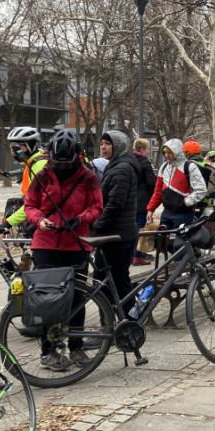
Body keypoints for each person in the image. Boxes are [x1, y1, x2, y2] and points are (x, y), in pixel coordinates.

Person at [24, 129, 103, 371]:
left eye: (65, 163)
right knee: (48, 299)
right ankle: (48, 351)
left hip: (77, 243)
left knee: (76, 298)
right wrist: (39, 220)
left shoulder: (89, 177)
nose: (60, 167)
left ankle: (76, 347)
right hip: (45, 244)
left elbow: (97, 206)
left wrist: (81, 220)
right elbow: (30, 205)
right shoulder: (43, 176)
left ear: (77, 157)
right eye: (56, 163)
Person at [92, 131, 139, 316]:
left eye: (107, 144)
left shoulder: (122, 168)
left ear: (117, 146)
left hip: (116, 236)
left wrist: (97, 225)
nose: (103, 147)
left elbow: (115, 204)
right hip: (118, 234)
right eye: (102, 143)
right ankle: (130, 321)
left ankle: (111, 324)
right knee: (118, 280)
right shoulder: (117, 165)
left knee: (105, 281)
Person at [145, 139, 208, 230]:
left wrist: (185, 202)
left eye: (170, 152)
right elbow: (158, 192)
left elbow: (201, 190)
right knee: (163, 242)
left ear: (177, 152)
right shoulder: (164, 167)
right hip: (166, 213)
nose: (166, 155)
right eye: (164, 153)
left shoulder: (189, 167)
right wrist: (151, 209)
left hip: (184, 214)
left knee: (180, 243)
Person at [3, 126, 49, 231]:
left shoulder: (39, 165)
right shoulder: (31, 164)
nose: (13, 151)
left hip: (43, 219)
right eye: (12, 146)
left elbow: (36, 202)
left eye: (17, 147)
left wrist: (8, 223)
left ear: (30, 146)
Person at [131, 138, 157, 265]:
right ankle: (137, 255)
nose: (148, 151)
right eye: (147, 149)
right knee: (140, 227)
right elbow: (151, 182)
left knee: (132, 226)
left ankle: (134, 253)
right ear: (141, 149)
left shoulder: (129, 160)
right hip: (142, 199)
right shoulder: (145, 163)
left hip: (130, 198)